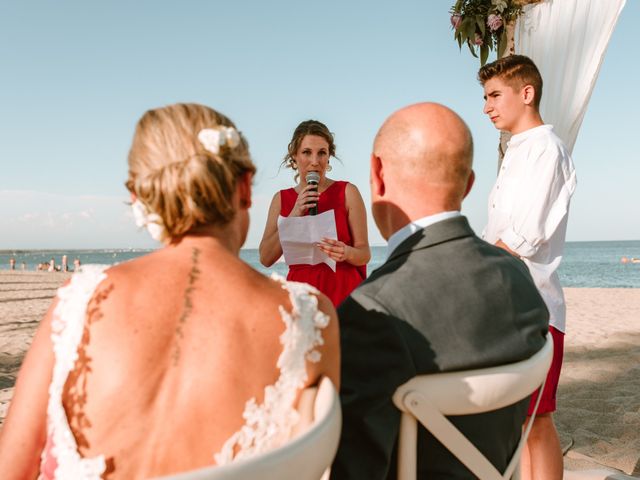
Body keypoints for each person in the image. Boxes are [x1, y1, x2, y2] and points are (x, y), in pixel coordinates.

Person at [0, 103, 339, 479]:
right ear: (244, 188)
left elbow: (11, 467)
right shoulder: (311, 315)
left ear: (139, 197)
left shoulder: (78, 302)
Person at [330, 102, 549, 479]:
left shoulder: (372, 311)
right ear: (468, 184)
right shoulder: (518, 278)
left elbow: (350, 469)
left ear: (377, 175)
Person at [479, 54, 577, 480]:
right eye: (485, 97)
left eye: (494, 95)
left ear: (527, 93)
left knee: (537, 419)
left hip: (534, 306)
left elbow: (524, 235)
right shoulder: (518, 150)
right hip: (508, 302)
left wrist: (469, 269)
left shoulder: (546, 151)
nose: (486, 106)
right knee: (522, 419)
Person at [259, 120, 370, 306]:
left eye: (322, 153)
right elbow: (265, 258)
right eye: (306, 152)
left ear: (329, 157)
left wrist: (347, 252)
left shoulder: (348, 192)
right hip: (301, 301)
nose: (315, 161)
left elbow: (364, 253)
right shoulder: (281, 199)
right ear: (294, 156)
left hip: (344, 295)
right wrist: (294, 215)